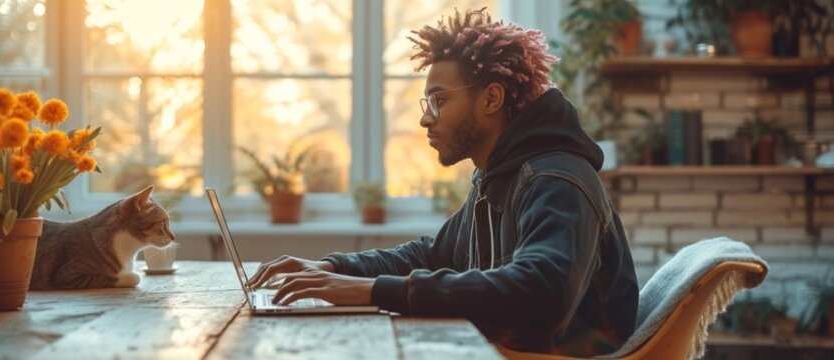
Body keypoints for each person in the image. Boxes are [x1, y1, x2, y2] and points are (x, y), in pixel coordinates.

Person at [246, 8, 638, 357]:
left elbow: (541, 293)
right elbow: (434, 255)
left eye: (439, 100)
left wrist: (371, 291)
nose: (425, 119)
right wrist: (333, 266)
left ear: (491, 99)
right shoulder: (497, 178)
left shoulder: (555, 179)